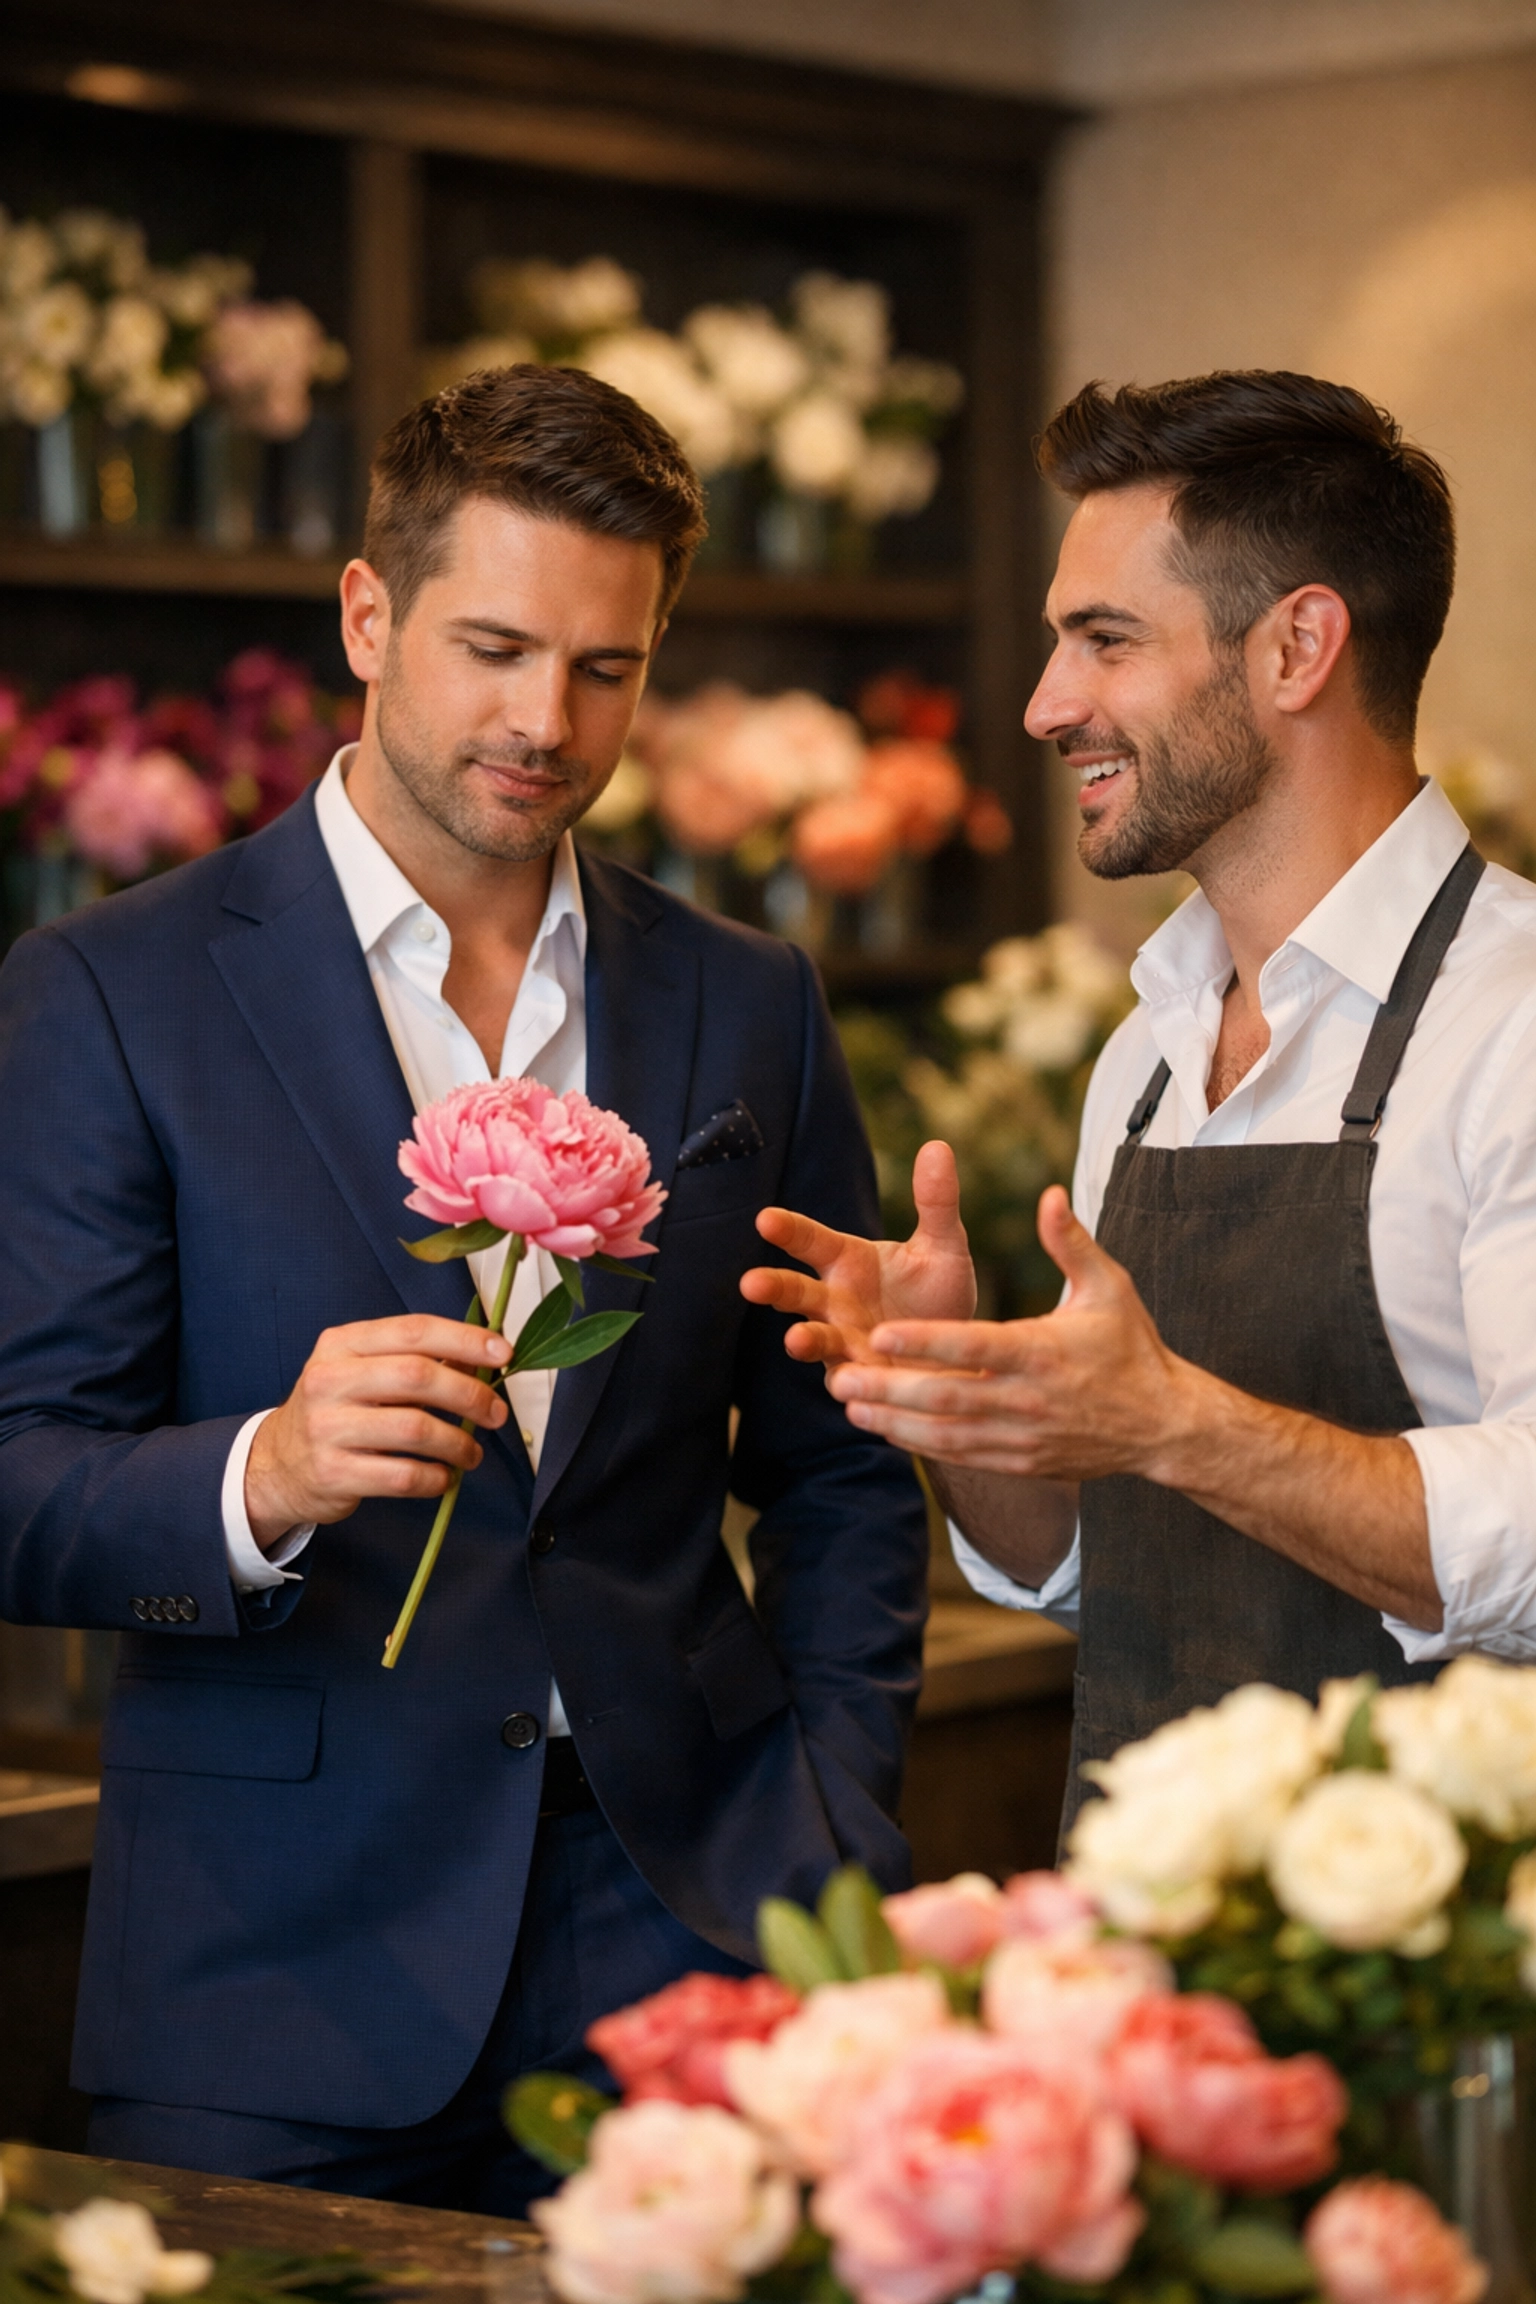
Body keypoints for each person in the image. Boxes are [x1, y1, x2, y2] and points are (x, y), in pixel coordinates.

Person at [0, 364, 927, 2205]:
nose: (546, 721)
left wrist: (834, 1830)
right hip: (274, 1970)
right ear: (367, 614)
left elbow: (835, 1470)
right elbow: (19, 1475)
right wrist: (255, 1477)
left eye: (608, 667)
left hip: (698, 1926)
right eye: (495, 648)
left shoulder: (751, 1000)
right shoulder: (110, 989)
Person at [743, 369, 1536, 1833]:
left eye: (1104, 641)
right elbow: (1104, 1569)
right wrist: (956, 1395)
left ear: (1298, 645)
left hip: (1450, 1980)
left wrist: (1173, 1421)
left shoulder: (1515, 1022)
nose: (1047, 706)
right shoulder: (1153, 1049)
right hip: (1162, 1942)